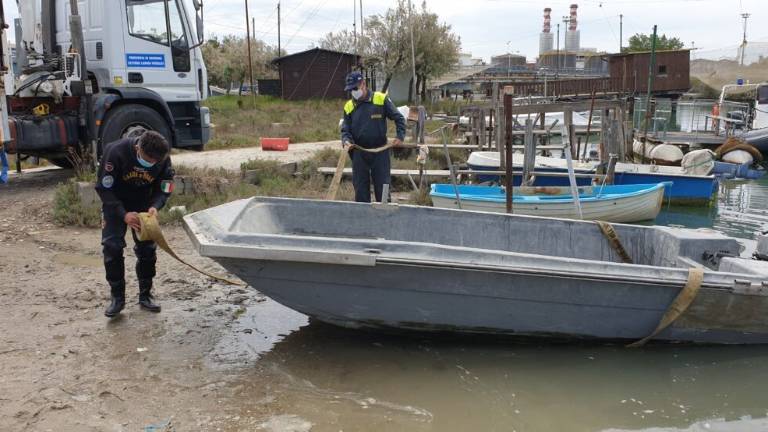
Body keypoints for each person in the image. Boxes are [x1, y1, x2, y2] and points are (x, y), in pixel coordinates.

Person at [95, 130, 175, 317]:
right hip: (115, 203)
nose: (153, 164)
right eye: (149, 159)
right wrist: (123, 215)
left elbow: (165, 186)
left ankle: (146, 295)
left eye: (156, 161)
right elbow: (103, 188)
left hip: (144, 204)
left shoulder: (161, 158)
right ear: (137, 147)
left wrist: (156, 206)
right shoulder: (115, 152)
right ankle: (117, 299)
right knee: (112, 247)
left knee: (147, 250)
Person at [341, 71, 406, 203]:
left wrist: (400, 136)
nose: (353, 92)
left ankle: (384, 218)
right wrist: (346, 140)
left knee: (383, 188)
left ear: (363, 84)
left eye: (355, 88)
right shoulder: (348, 106)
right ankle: (364, 219)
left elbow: (399, 118)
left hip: (380, 152)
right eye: (350, 90)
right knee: (360, 190)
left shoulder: (380, 99)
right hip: (359, 153)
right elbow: (345, 129)